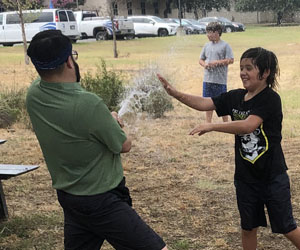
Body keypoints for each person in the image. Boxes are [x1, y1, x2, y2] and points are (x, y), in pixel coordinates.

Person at [26, 30, 168, 250]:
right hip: (102, 200)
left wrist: (104, 121)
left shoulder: (34, 95)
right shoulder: (88, 104)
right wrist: (115, 124)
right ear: (69, 61)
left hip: (70, 198)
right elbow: (123, 145)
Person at [157, 47, 300, 250]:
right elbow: (205, 103)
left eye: (249, 68)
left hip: (272, 176)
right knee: (248, 228)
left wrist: (213, 126)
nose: (243, 72)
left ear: (265, 72)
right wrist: (175, 93)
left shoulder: (270, 99)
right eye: (241, 67)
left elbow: (248, 125)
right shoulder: (235, 97)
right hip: (245, 178)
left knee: (287, 226)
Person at [199, 22, 234, 123]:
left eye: (210, 32)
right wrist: (204, 64)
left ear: (217, 32)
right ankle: (208, 122)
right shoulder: (206, 46)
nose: (208, 35)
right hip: (207, 79)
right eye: (207, 32)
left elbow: (231, 60)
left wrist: (217, 63)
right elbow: (200, 60)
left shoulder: (225, 45)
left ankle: (225, 123)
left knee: (222, 102)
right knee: (207, 101)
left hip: (220, 80)